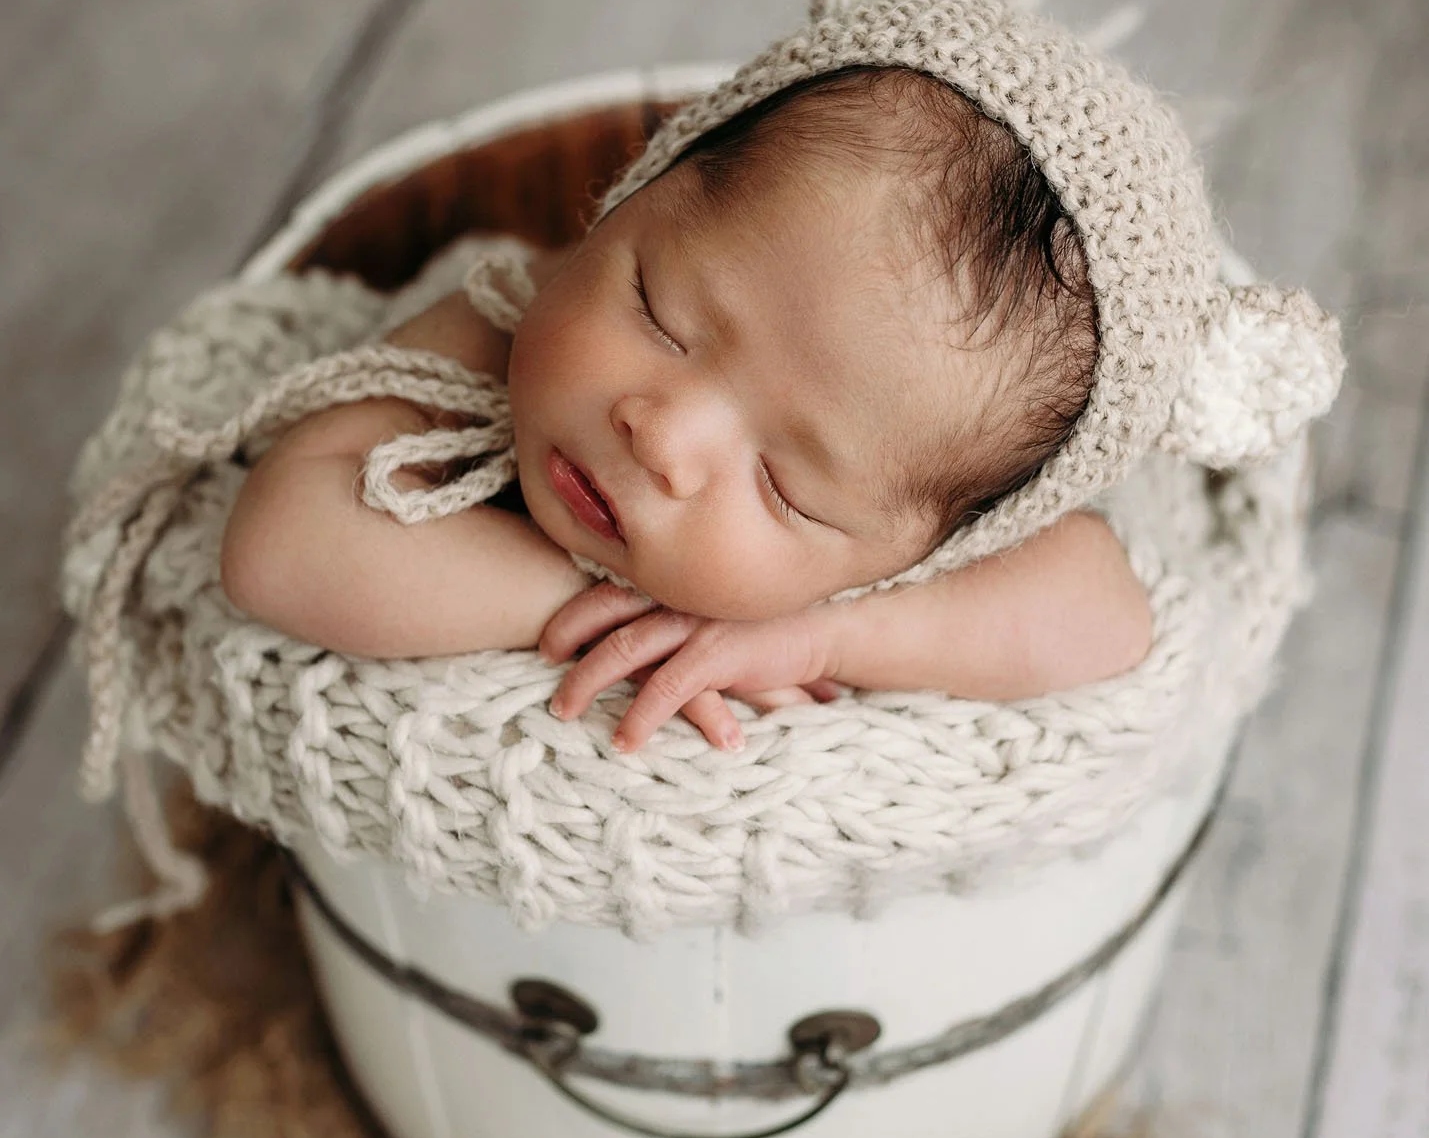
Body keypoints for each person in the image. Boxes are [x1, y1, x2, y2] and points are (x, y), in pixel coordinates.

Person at [220, 63, 1153, 755]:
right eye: (661, 316)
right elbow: (282, 543)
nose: (661, 435)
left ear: (942, 546)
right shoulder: (497, 325)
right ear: (633, 193)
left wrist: (823, 632)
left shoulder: (925, 534)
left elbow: (1108, 615)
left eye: (785, 488)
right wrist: (609, 607)